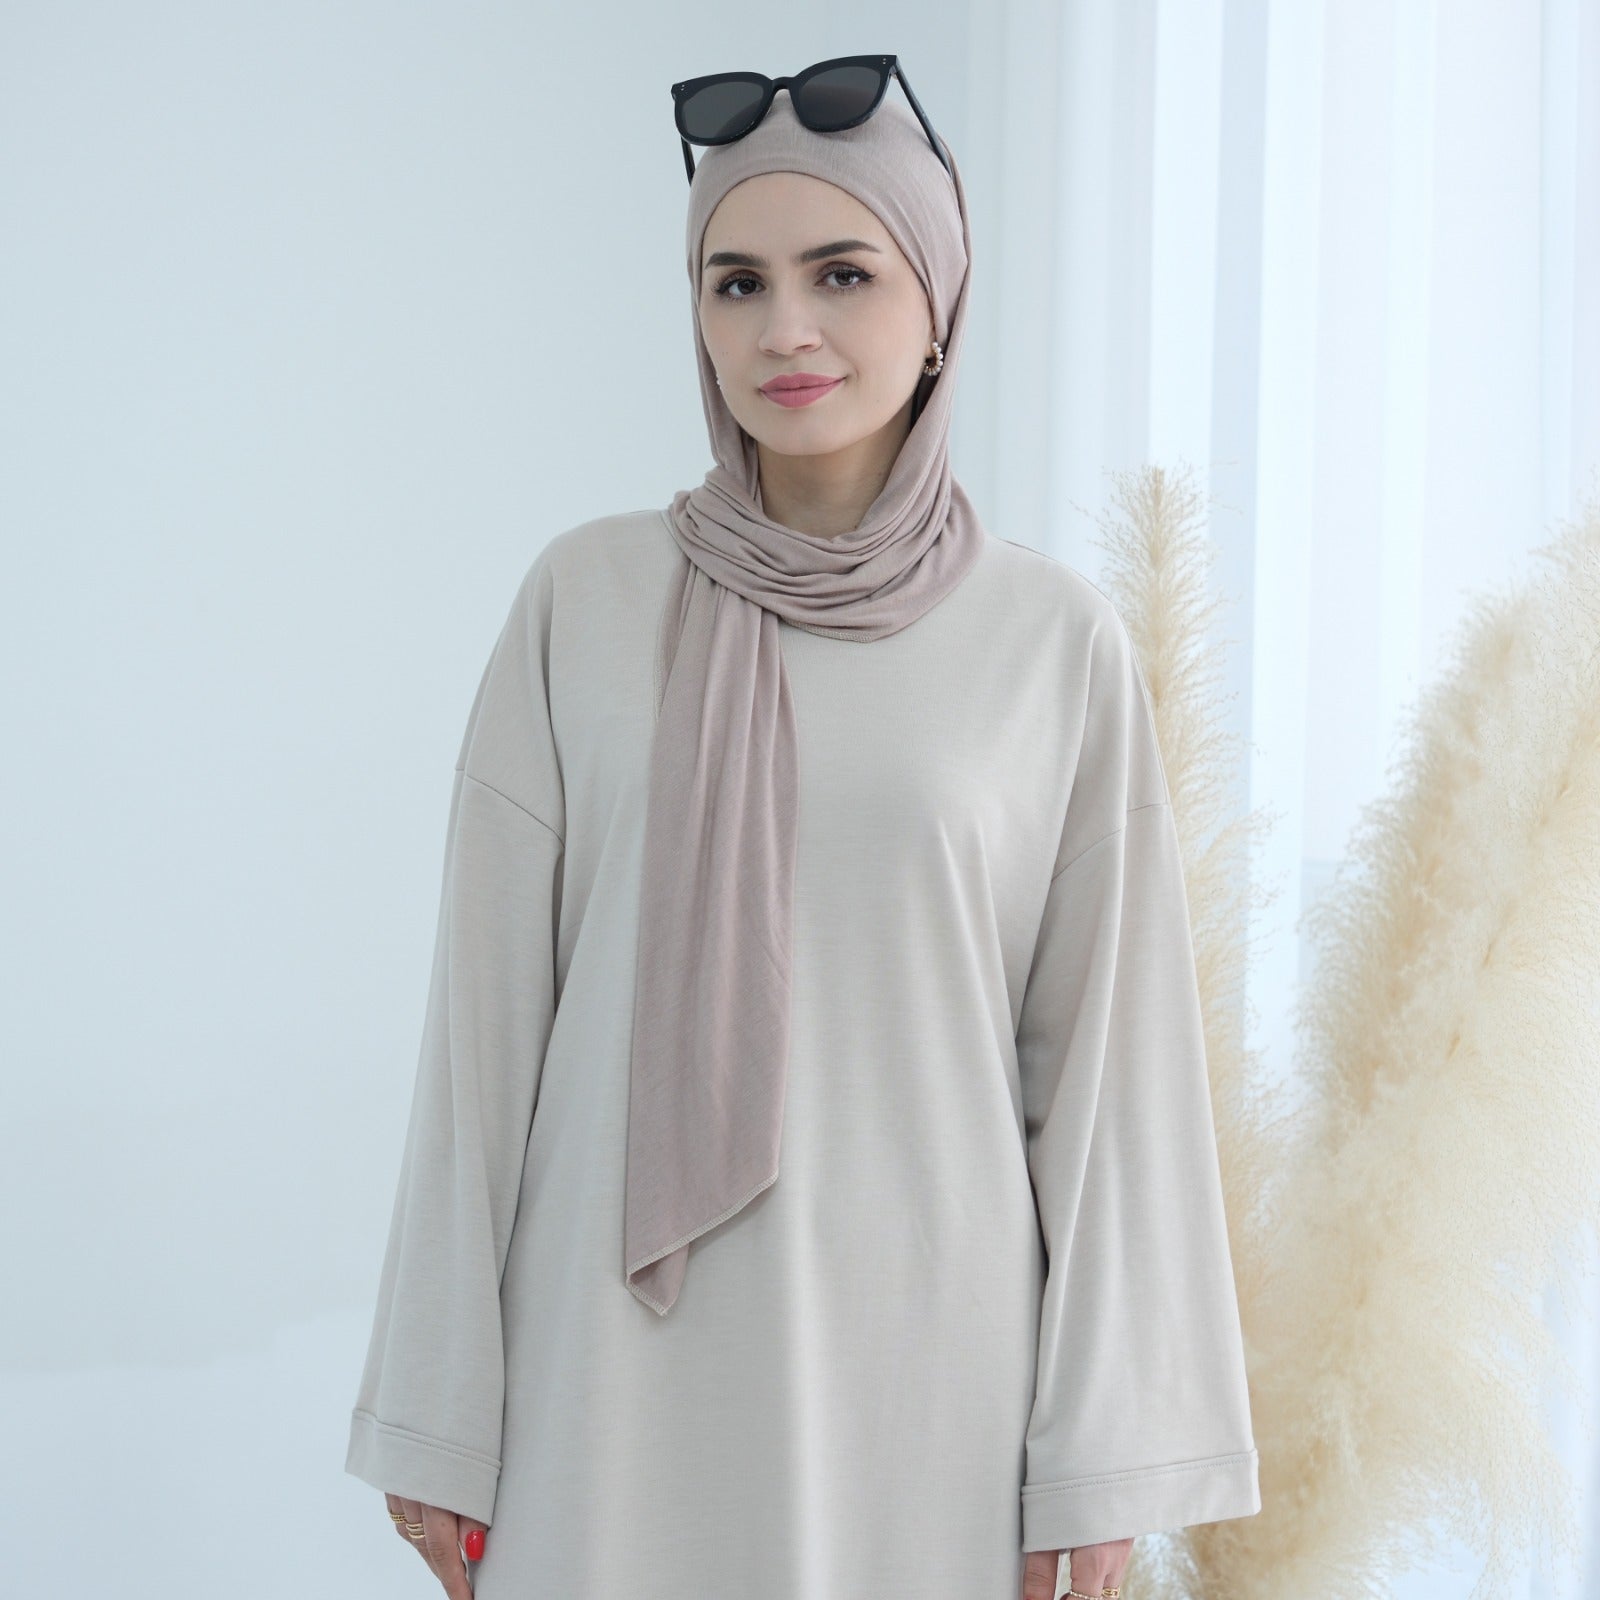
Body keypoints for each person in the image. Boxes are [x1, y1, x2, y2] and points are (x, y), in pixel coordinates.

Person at [344, 58, 1260, 1600]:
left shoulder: (1052, 643)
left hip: (935, 1381)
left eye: (844, 273)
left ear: (939, 301)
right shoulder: (584, 602)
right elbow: (481, 1041)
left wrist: (1101, 1458)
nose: (785, 330)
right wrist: (438, 1407)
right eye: (738, 282)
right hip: (607, 1375)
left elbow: (1111, 1077)